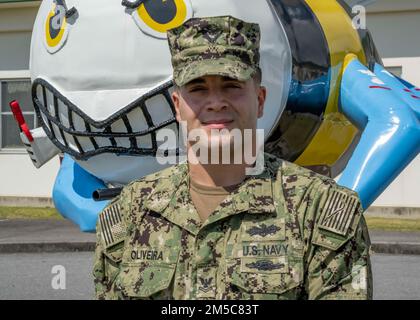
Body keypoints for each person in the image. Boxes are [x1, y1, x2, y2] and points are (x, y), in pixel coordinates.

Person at [93, 15, 372, 300]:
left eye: (231, 85)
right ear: (177, 106)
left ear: (260, 99)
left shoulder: (320, 212)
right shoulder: (131, 213)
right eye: (198, 88)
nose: (215, 102)